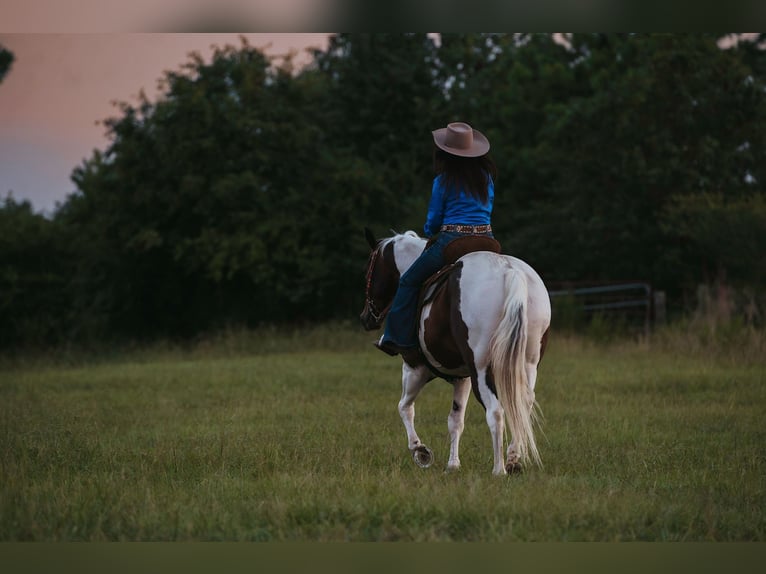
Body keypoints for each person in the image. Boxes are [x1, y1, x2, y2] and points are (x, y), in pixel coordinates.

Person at [375, 121, 497, 357]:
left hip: (453, 242)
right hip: (488, 241)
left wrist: (431, 229)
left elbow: (433, 221)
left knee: (409, 280)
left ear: (445, 154)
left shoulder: (443, 181)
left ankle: (396, 338)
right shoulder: (486, 178)